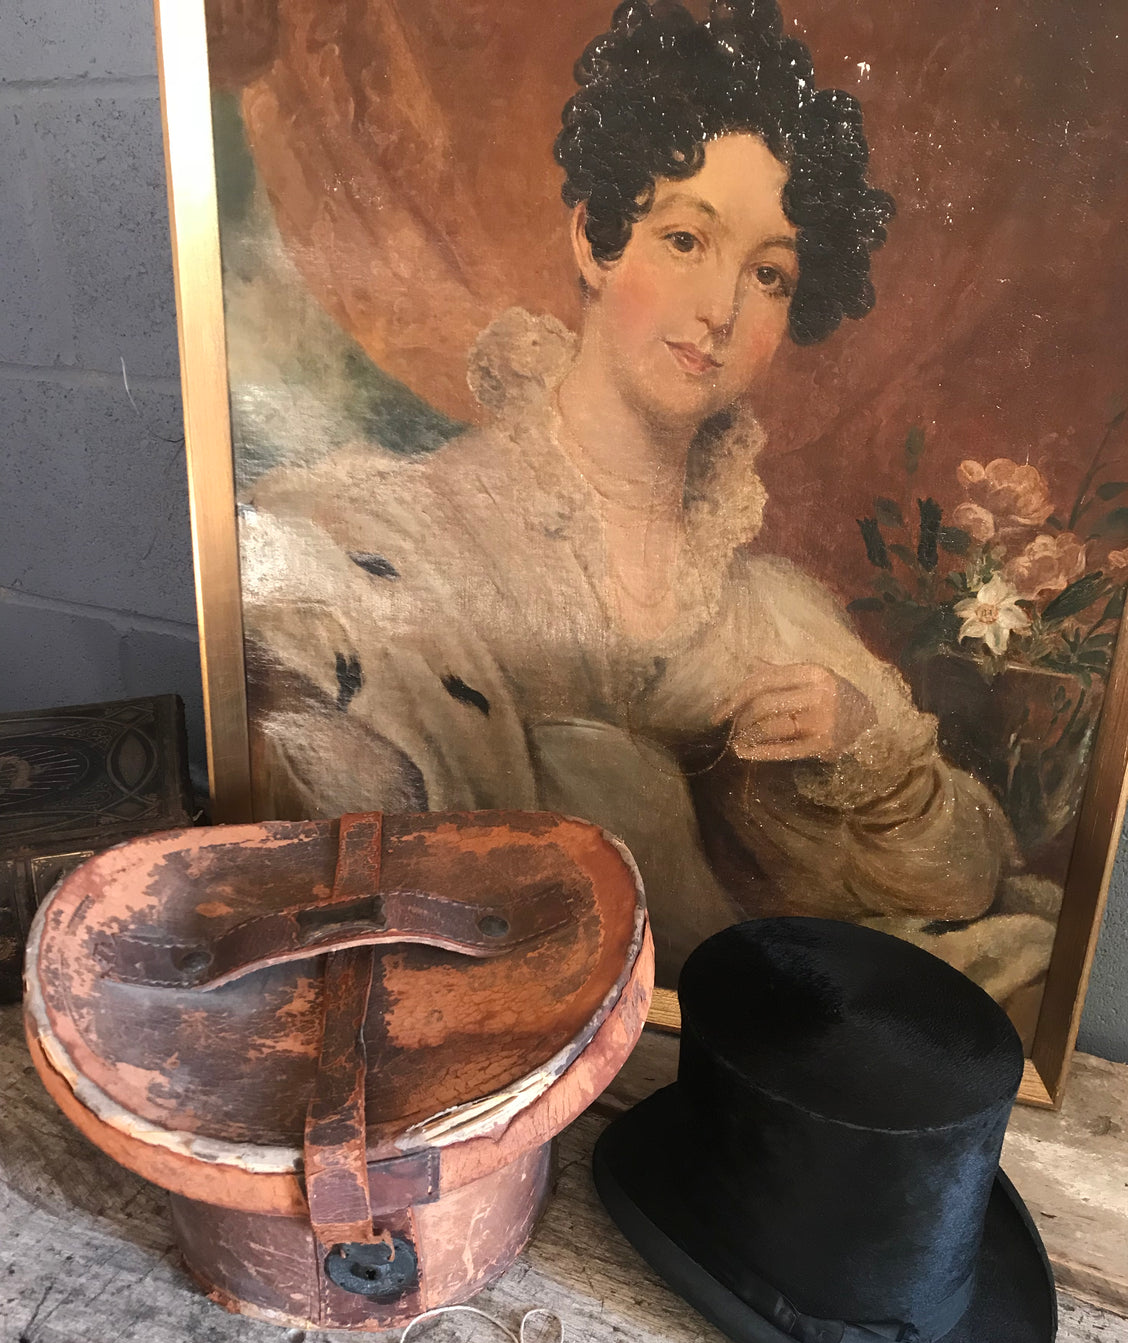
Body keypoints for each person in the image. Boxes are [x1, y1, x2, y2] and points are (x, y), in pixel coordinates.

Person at [240, 0, 1054, 1007]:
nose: (718, 308)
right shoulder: (406, 531)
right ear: (593, 240)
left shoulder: (772, 610)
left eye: (766, 273)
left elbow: (967, 881)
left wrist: (862, 743)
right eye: (682, 239)